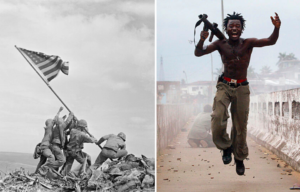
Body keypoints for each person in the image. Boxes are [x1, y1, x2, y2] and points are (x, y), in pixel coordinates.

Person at [194, 12, 280, 175]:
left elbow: (271, 41)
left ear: (242, 29)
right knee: (218, 116)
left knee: (240, 125)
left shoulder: (248, 43)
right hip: (224, 85)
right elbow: (198, 53)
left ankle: (239, 158)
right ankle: (226, 147)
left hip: (242, 87)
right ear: (226, 28)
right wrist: (202, 39)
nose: (234, 28)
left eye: (237, 26)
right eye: (231, 26)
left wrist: (276, 28)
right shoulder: (220, 44)